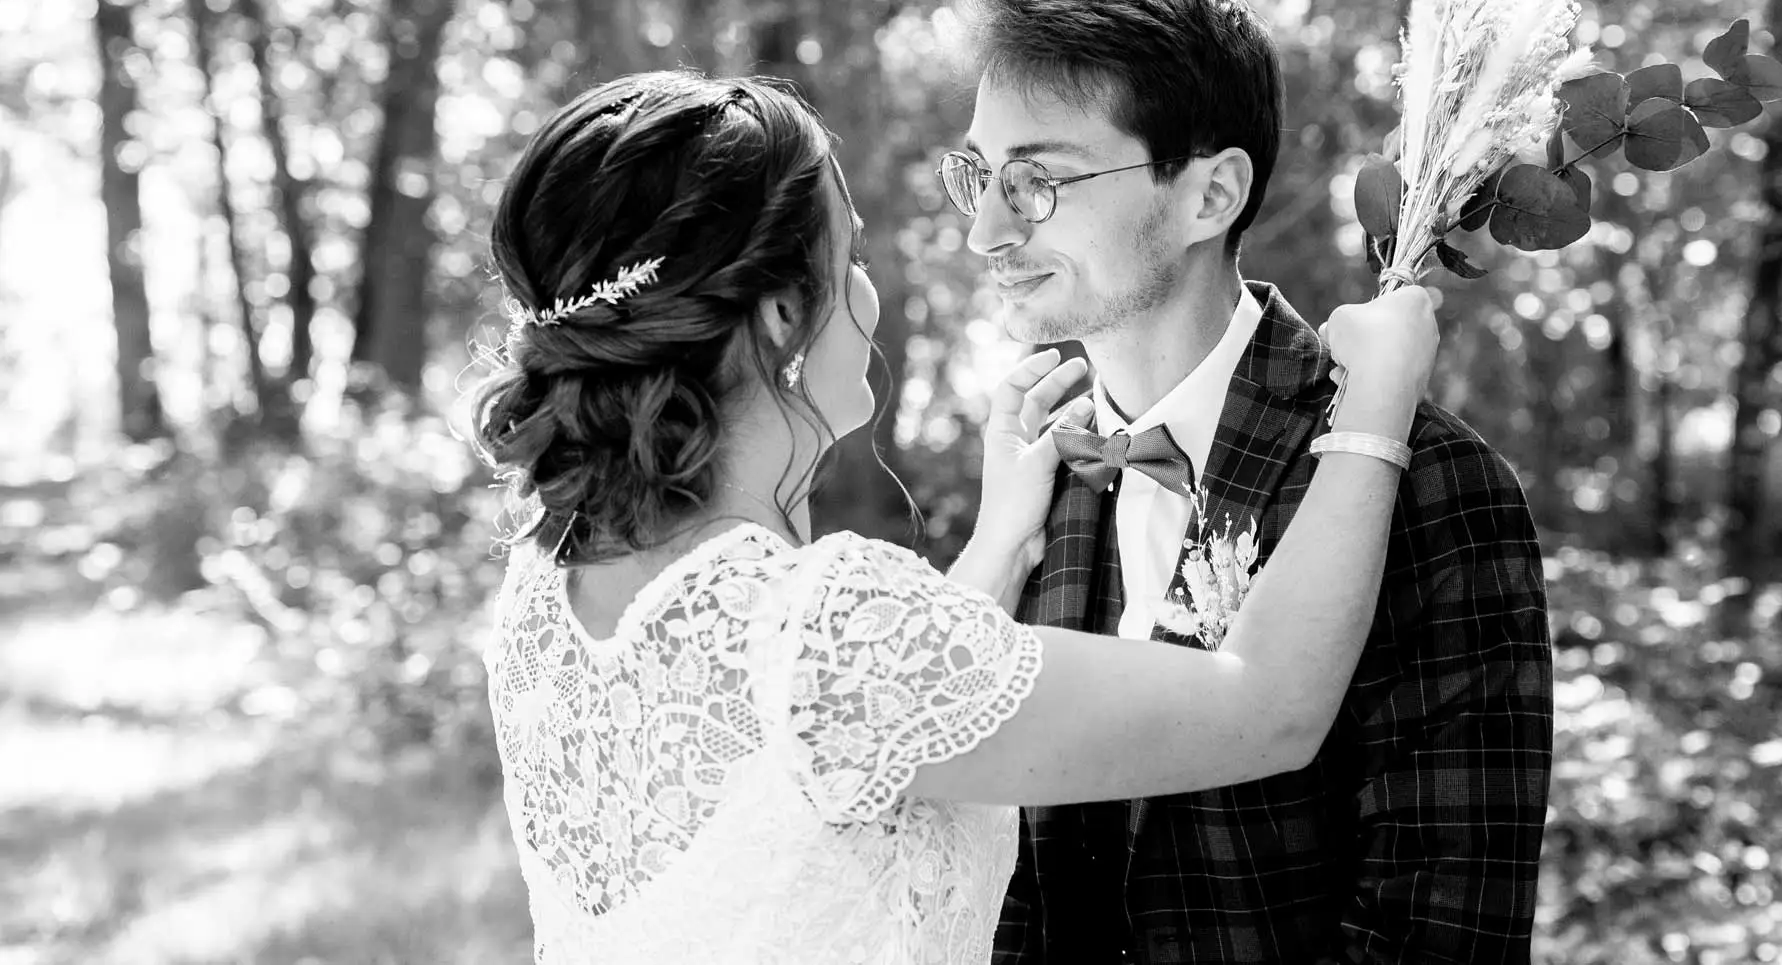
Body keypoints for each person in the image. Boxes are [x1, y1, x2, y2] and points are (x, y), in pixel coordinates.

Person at [465, 69, 1439, 965]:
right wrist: (1374, 411)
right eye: (847, 257)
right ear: (775, 316)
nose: (867, 295)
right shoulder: (822, 631)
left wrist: (1001, 534)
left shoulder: (540, 604)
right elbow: (1264, 708)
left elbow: (845, 761)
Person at [941, 0, 1554, 964]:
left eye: (1038, 180)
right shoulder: (1030, 481)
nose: (985, 230)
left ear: (1208, 194)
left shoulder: (1429, 482)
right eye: (978, 175)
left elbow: (1439, 934)